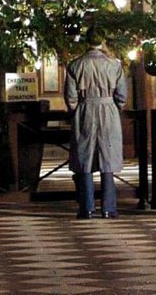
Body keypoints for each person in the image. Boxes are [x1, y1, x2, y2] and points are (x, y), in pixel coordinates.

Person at [64, 29, 127, 219]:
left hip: (85, 110)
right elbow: (122, 96)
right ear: (103, 41)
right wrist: (115, 107)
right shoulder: (114, 65)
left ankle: (86, 207)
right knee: (108, 158)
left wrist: (77, 109)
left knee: (85, 157)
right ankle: (109, 207)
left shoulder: (76, 65)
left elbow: (71, 96)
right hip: (108, 110)